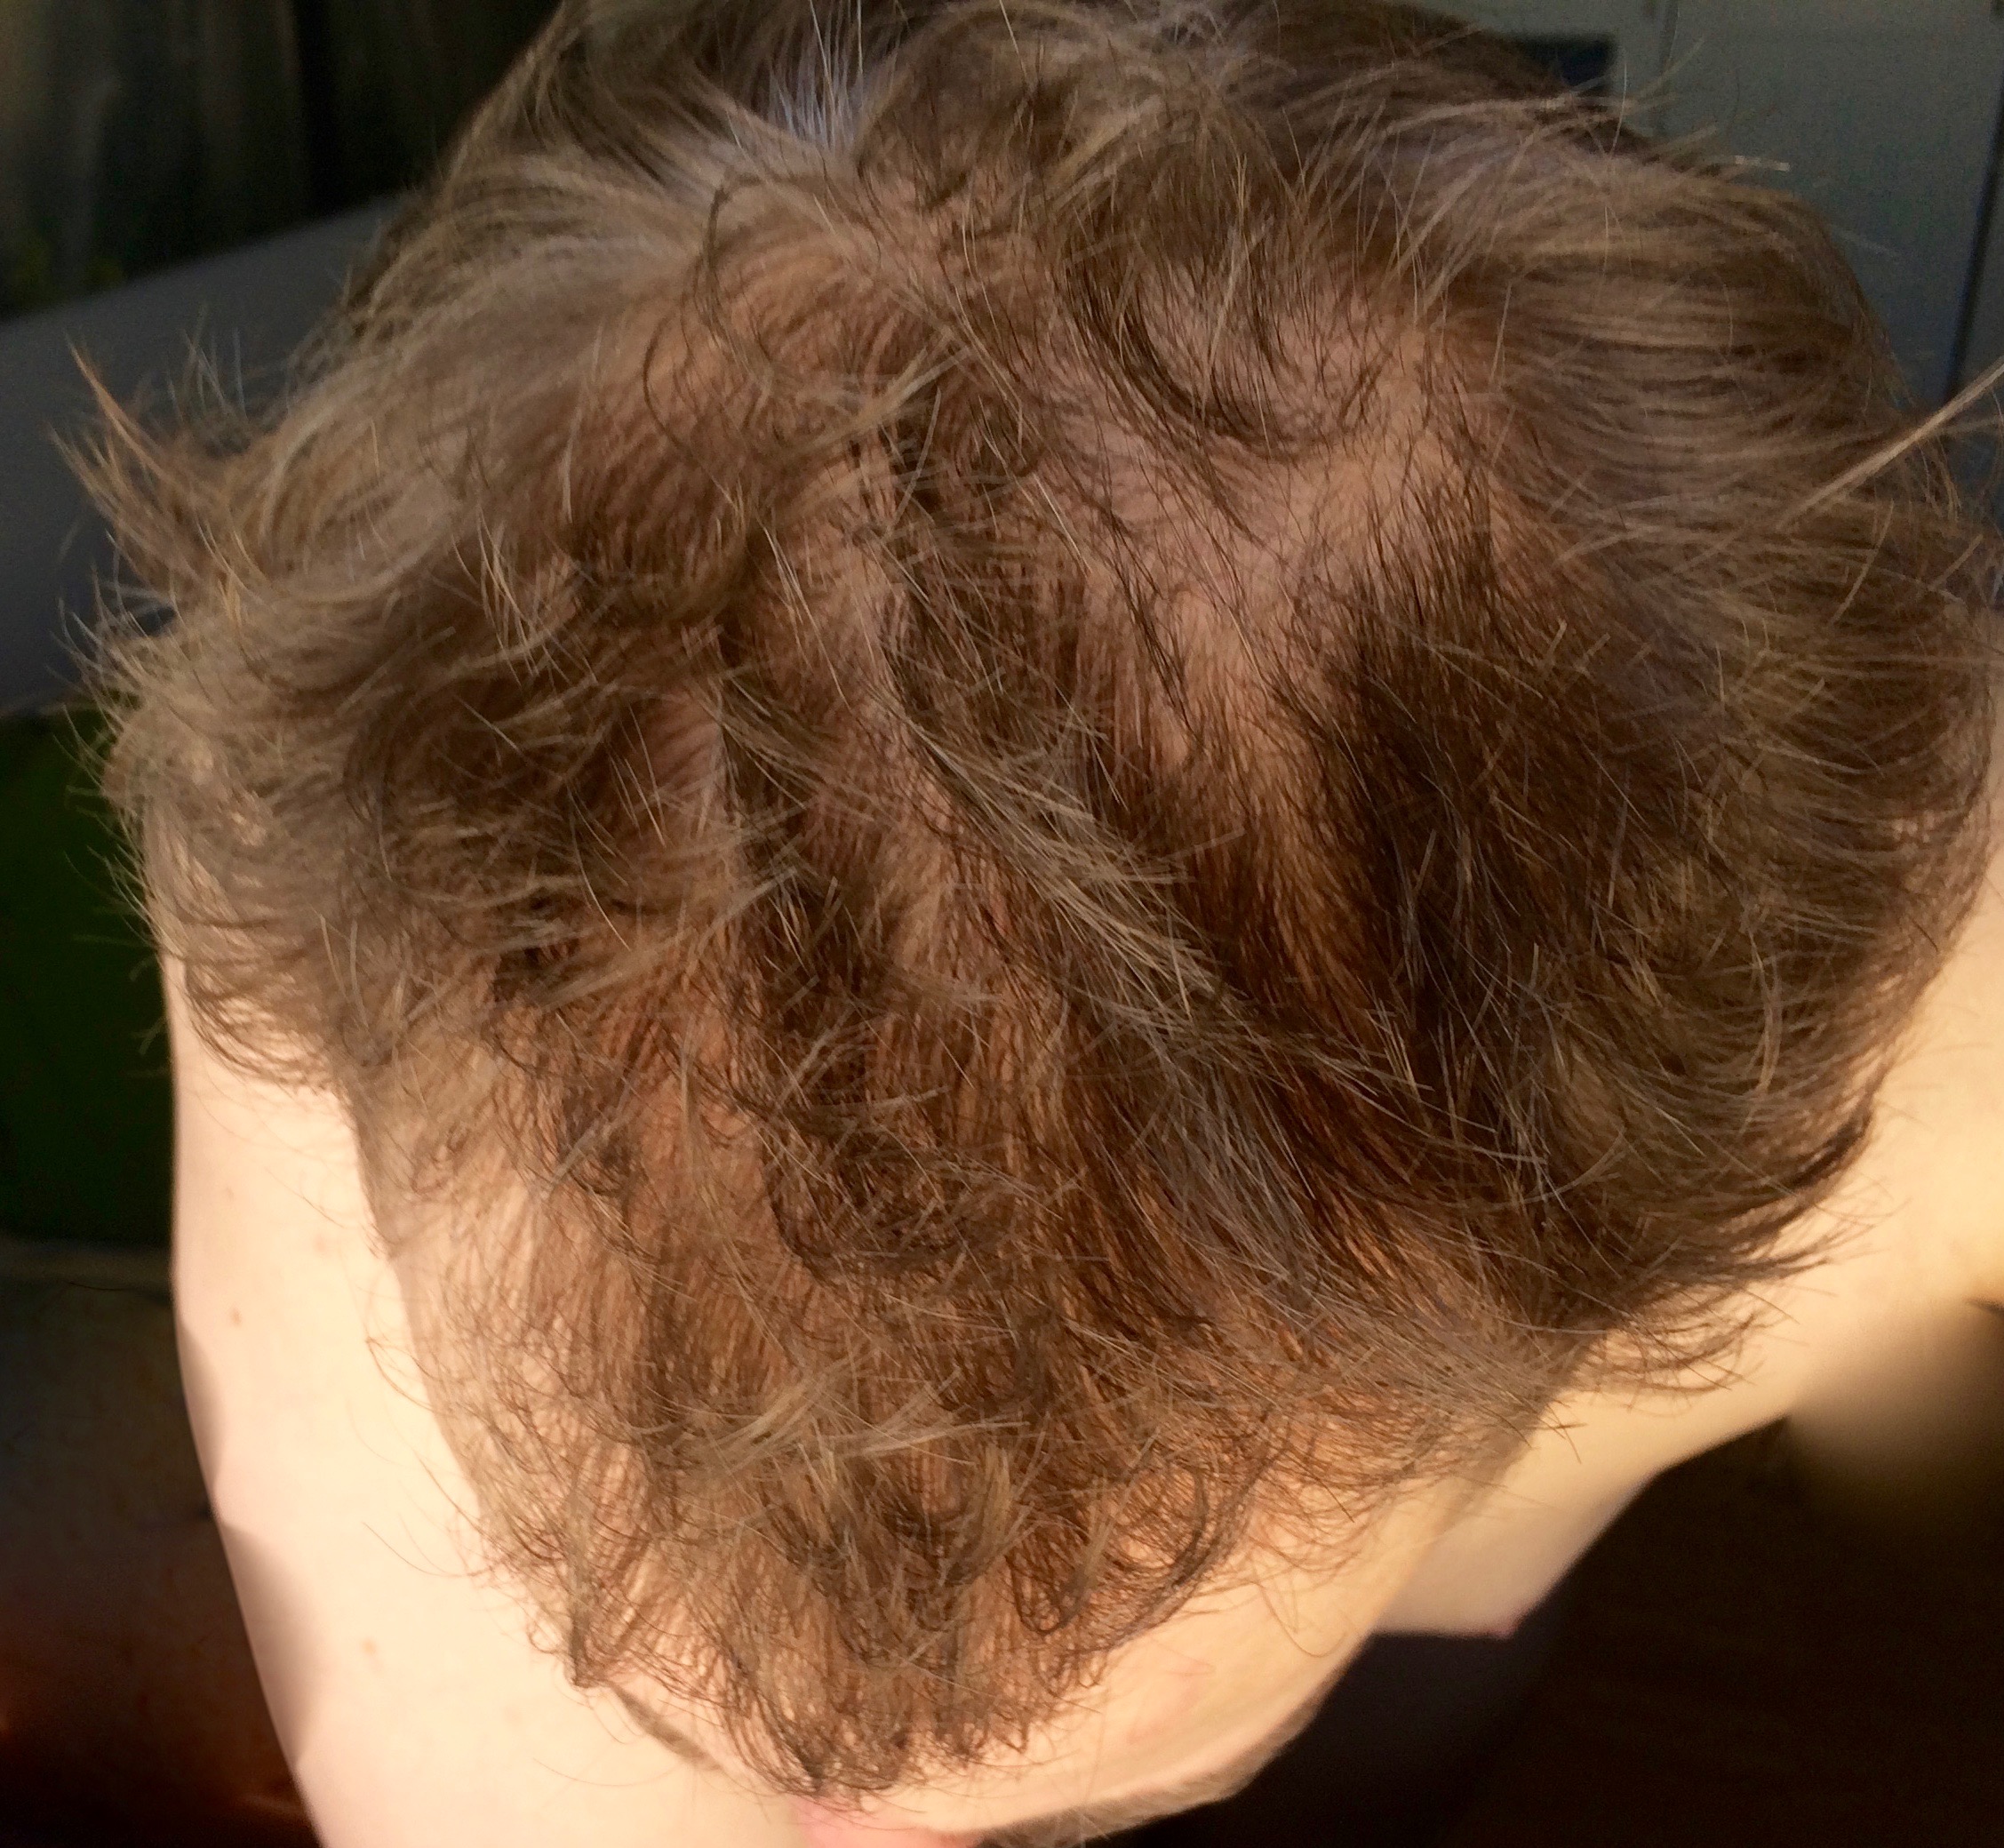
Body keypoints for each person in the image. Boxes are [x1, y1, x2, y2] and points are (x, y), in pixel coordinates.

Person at [67, 2, 2004, 1844]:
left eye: (1057, 1794)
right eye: (648, 1672)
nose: (869, 1829)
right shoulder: (356, 889)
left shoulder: (1946, 1056)